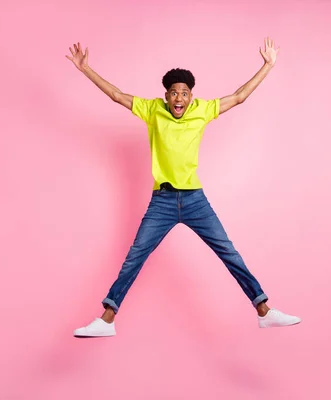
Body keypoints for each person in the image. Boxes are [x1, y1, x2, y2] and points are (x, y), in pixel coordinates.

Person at [67, 38, 301, 337]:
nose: (179, 98)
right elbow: (116, 94)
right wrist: (85, 68)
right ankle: (107, 319)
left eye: (185, 93)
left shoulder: (203, 110)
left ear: (191, 96)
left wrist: (267, 66)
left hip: (194, 200)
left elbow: (240, 96)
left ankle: (264, 311)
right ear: (166, 96)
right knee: (135, 256)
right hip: (162, 201)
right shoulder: (153, 110)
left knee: (228, 252)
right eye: (174, 93)